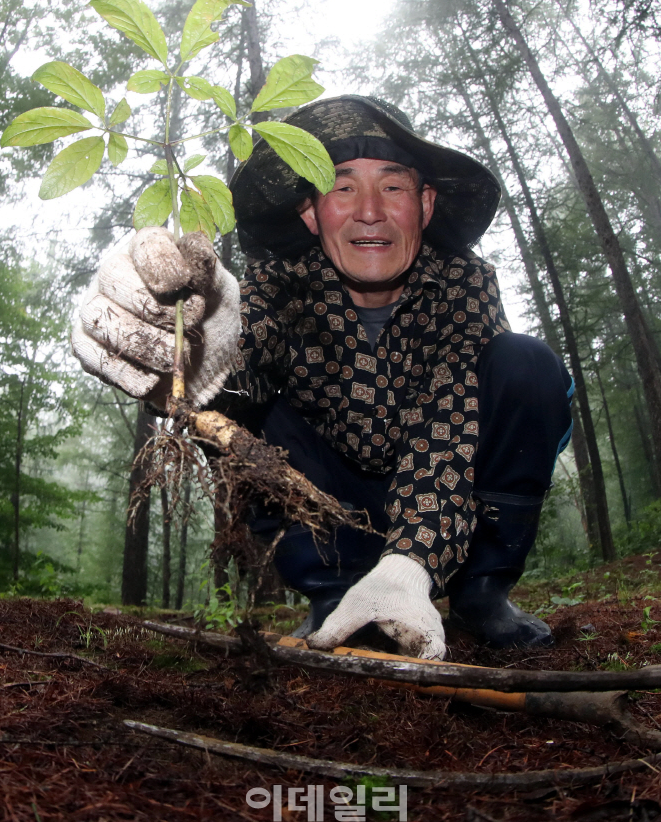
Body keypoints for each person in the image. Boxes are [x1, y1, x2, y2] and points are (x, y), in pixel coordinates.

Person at [72, 95, 573, 660]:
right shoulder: (279, 283)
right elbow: (244, 359)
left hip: (442, 493)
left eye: (392, 186)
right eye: (341, 187)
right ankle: (333, 592)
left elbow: (450, 426)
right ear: (311, 212)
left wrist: (410, 565)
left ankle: (481, 592)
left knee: (527, 365)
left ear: (425, 204)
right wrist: (194, 347)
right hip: (331, 503)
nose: (369, 211)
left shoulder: (466, 284)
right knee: (242, 411)